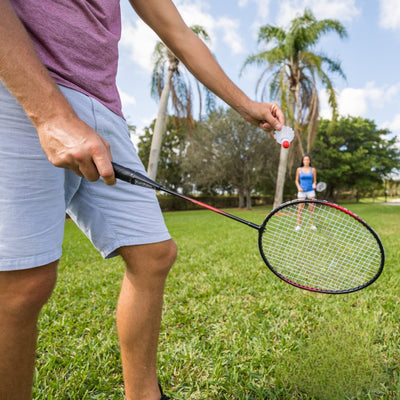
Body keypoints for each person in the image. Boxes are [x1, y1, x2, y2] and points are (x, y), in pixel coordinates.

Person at [0, 1, 285, 399]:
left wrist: (245, 104)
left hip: (105, 109)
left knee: (154, 255)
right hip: (23, 88)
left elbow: (180, 34)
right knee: (22, 283)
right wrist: (49, 115)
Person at [294, 154, 317, 231]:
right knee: (300, 209)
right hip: (301, 192)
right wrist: (299, 188)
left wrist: (314, 184)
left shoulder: (313, 169)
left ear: (309, 161)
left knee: (311, 209)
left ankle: (313, 225)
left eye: (307, 160)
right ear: (302, 161)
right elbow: (296, 181)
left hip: (311, 191)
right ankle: (298, 226)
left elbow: (315, 181)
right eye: (305, 160)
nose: (306, 161)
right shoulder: (299, 169)